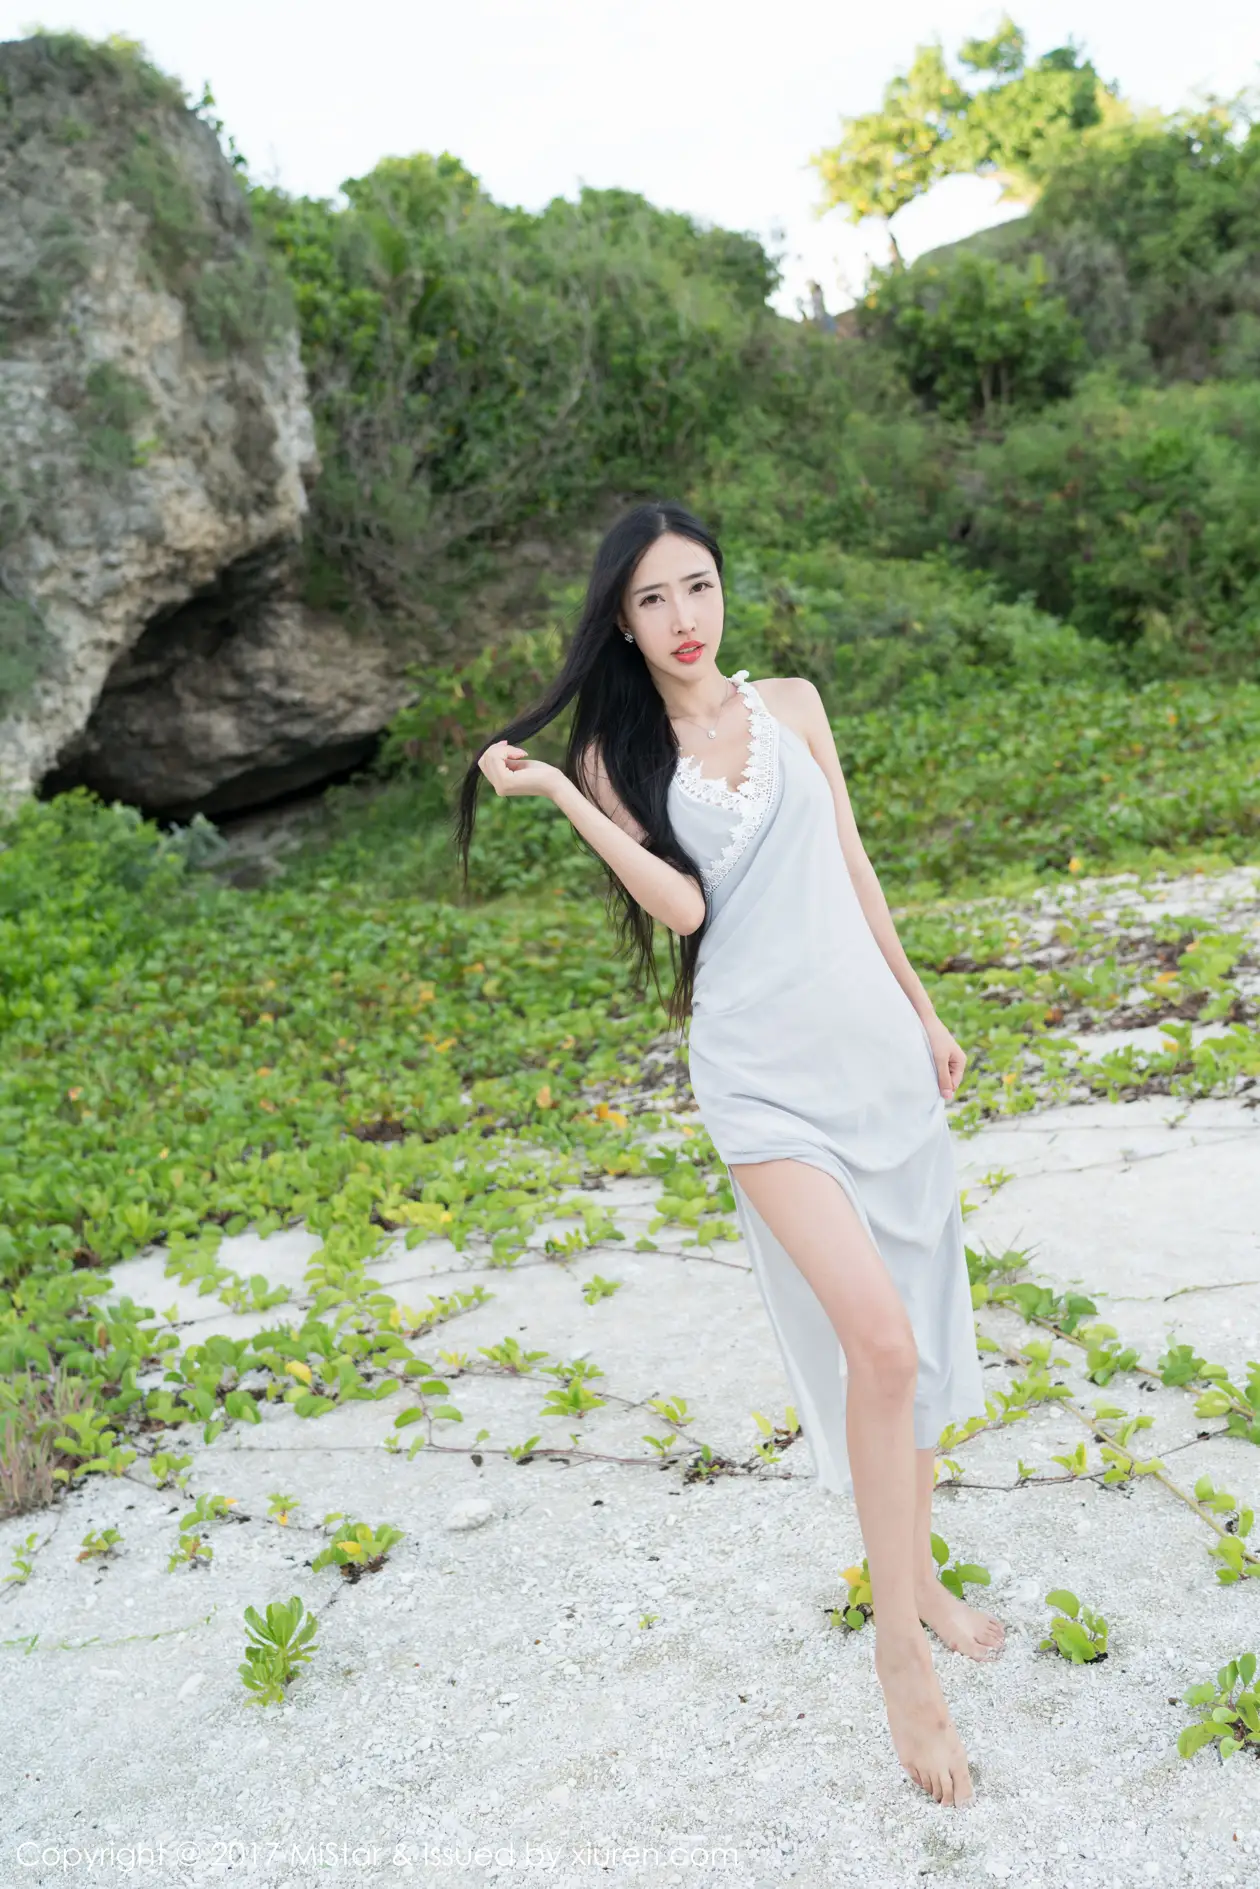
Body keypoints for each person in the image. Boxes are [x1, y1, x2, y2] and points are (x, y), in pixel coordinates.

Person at [455, 499, 1005, 1809]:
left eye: (696, 586)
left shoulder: (795, 705)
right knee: (879, 1347)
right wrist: (561, 796)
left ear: (721, 589)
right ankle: (898, 1657)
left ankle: (920, 1576)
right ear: (622, 621)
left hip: (876, 1053)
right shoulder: (615, 756)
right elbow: (684, 908)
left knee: (919, 1326)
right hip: (759, 1077)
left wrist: (926, 1011)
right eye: (652, 599)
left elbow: (855, 866)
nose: (682, 618)